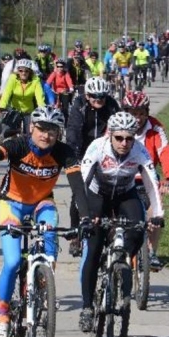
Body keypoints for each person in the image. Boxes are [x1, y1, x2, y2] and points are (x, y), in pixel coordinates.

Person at [0, 106, 90, 337]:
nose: (46, 135)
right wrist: (0, 136)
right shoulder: (20, 144)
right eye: (41, 129)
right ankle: (2, 318)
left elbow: (78, 188)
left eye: (52, 131)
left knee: (49, 244)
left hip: (42, 202)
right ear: (31, 128)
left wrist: (85, 219)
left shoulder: (63, 152)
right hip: (13, 204)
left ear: (58, 133)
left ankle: (43, 288)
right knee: (13, 262)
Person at [77, 112, 165, 332]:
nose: (124, 143)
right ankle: (87, 308)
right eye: (119, 138)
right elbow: (82, 182)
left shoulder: (139, 151)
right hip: (98, 195)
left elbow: (152, 183)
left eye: (129, 138)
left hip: (126, 194)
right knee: (94, 249)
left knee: (137, 230)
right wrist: (86, 215)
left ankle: (120, 263)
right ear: (110, 135)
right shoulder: (97, 147)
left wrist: (158, 215)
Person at [66, 76, 121, 255]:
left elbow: (118, 127)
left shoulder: (112, 105)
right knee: (78, 193)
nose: (99, 100)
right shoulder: (78, 105)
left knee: (112, 189)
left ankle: (111, 228)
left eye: (102, 97)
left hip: (106, 150)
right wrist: (75, 157)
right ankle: (75, 234)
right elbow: (73, 130)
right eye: (95, 97)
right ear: (87, 95)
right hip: (83, 150)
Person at [121, 91, 169, 270]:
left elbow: (165, 152)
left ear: (147, 112)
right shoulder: (116, 125)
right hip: (121, 177)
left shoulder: (155, 127)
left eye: (141, 113)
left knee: (155, 214)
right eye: (133, 113)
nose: (137, 118)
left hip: (147, 178)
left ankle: (151, 253)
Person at [0, 58, 46, 131]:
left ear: (30, 72)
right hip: (14, 109)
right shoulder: (13, 78)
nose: (23, 73)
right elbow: (6, 93)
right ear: (17, 71)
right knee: (9, 132)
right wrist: (2, 106)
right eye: (21, 70)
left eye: (26, 71)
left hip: (28, 111)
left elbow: (40, 96)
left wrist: (42, 109)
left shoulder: (35, 80)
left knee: (29, 133)